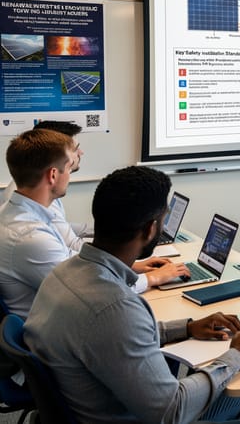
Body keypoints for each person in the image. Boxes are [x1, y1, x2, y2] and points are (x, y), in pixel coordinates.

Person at [24, 166, 240, 424]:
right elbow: (171, 412)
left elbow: (114, 337)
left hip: (85, 403)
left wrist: (187, 327)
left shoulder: (64, 273)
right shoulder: (113, 308)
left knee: (236, 400)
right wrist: (239, 355)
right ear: (150, 229)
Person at [0, 129, 187, 316]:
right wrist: (153, 278)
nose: (71, 173)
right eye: (69, 166)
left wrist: (129, 266)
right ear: (53, 175)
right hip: (54, 334)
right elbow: (93, 292)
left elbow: (68, 256)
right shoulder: (29, 237)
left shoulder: (20, 214)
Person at [2, 120, 92, 245]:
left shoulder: (31, 185)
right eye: (75, 149)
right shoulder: (38, 191)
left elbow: (61, 226)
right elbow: (71, 246)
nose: (81, 152)